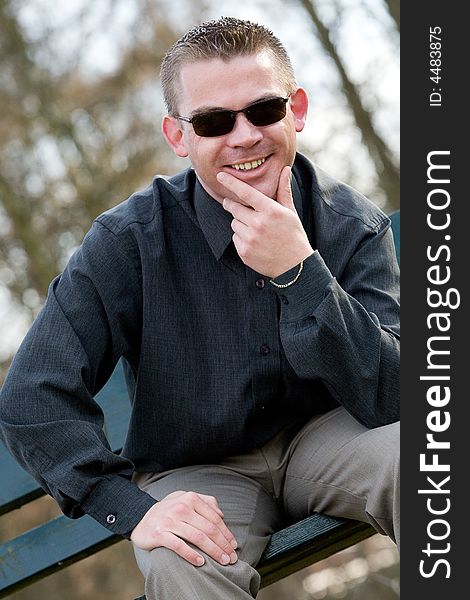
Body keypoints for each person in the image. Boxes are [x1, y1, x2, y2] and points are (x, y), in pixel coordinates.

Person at [0, 16, 400, 600]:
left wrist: (300, 273)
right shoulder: (129, 240)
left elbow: (396, 398)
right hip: (199, 473)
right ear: (178, 136)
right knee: (177, 555)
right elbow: (33, 393)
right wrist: (130, 509)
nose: (243, 137)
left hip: (332, 439)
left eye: (263, 110)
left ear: (298, 110)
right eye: (214, 121)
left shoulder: (351, 225)